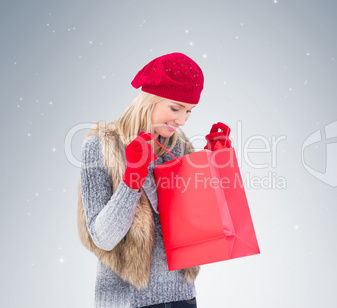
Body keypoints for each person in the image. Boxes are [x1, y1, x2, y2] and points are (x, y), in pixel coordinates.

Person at [77, 52, 231, 308]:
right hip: (127, 301)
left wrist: (215, 169)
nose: (182, 120)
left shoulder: (180, 146)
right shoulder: (101, 145)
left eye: (189, 111)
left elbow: (198, 227)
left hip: (182, 296)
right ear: (150, 99)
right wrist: (132, 180)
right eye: (175, 108)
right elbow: (102, 238)